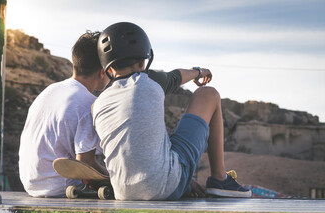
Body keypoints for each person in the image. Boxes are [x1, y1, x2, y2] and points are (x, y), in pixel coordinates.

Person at [92, 22, 252, 200]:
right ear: (143, 60)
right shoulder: (149, 79)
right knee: (208, 94)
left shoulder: (97, 104)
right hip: (166, 187)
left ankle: (181, 178)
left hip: (122, 193)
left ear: (109, 68)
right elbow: (177, 76)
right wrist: (200, 71)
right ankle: (220, 179)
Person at [19, 31, 110, 197]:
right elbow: (85, 162)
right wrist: (110, 178)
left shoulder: (49, 90)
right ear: (103, 71)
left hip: (30, 184)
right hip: (60, 188)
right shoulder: (89, 103)